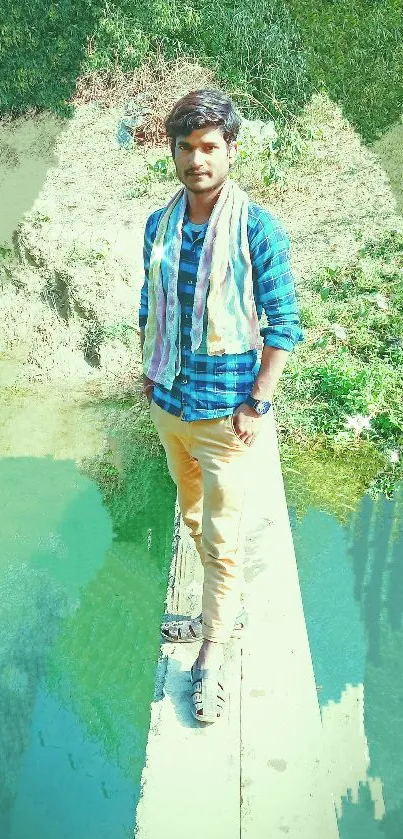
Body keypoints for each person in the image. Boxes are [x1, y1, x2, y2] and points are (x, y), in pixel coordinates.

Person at [139, 89, 304, 723]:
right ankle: (214, 610)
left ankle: (210, 652)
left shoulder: (257, 227)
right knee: (192, 519)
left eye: (210, 147)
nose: (197, 160)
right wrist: (148, 376)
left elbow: (284, 323)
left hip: (223, 415)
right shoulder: (159, 224)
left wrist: (258, 402)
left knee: (224, 535)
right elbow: (148, 305)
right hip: (170, 404)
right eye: (186, 147)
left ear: (231, 150)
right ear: (173, 152)